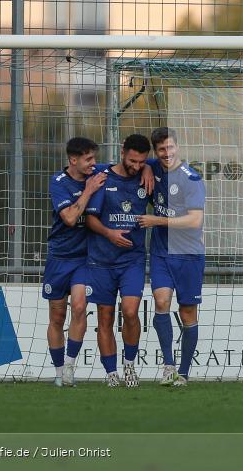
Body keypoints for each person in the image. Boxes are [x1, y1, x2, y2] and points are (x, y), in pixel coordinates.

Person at [138, 127, 207, 387]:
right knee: (161, 299)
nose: (167, 153)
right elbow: (130, 162)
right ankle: (168, 366)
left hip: (188, 254)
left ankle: (184, 373)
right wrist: (146, 167)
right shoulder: (153, 167)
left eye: (171, 148)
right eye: (161, 150)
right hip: (161, 252)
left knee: (188, 312)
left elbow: (195, 220)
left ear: (178, 147)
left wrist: (157, 219)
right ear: (156, 152)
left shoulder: (191, 178)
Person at [85, 134, 152, 388]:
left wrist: (147, 167)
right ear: (122, 151)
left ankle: (130, 365)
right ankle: (111, 372)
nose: (136, 166)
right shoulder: (102, 175)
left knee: (131, 312)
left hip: (132, 259)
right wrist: (109, 233)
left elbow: (163, 162)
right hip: (101, 259)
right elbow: (90, 220)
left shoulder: (147, 173)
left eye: (141, 162)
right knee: (105, 317)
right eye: (133, 160)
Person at [44, 137, 106, 386]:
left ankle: (69, 366)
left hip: (85, 258)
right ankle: (59, 373)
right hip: (59, 257)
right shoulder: (58, 183)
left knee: (80, 307)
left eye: (94, 158)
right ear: (73, 160)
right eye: (89, 159)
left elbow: (125, 166)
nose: (94, 163)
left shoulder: (99, 171)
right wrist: (89, 190)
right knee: (57, 317)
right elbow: (69, 218)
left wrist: (145, 168)